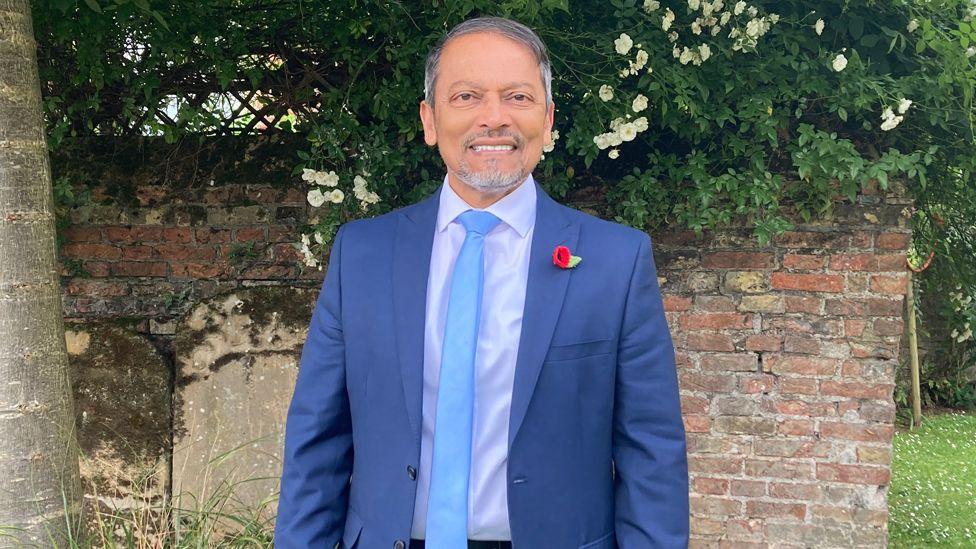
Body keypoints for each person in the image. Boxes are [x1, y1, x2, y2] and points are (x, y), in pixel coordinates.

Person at [274, 16, 688, 549]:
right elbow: (317, 439)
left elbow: (651, 449)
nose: (494, 119)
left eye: (517, 96)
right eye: (466, 96)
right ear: (429, 119)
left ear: (548, 117)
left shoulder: (617, 259)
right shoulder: (363, 253)